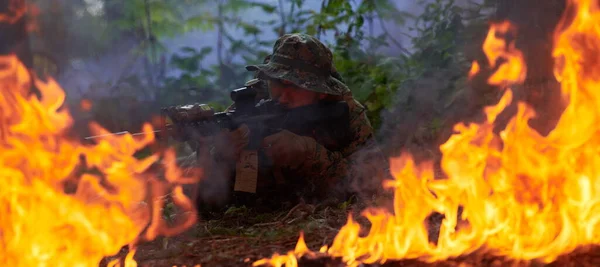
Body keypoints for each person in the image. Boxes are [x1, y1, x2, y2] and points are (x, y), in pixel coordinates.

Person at [195, 33, 389, 212]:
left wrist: (310, 153)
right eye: (276, 82)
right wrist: (221, 158)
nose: (282, 96)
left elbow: (371, 186)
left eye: (294, 86)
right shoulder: (248, 109)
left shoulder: (345, 112)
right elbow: (203, 201)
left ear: (321, 91)